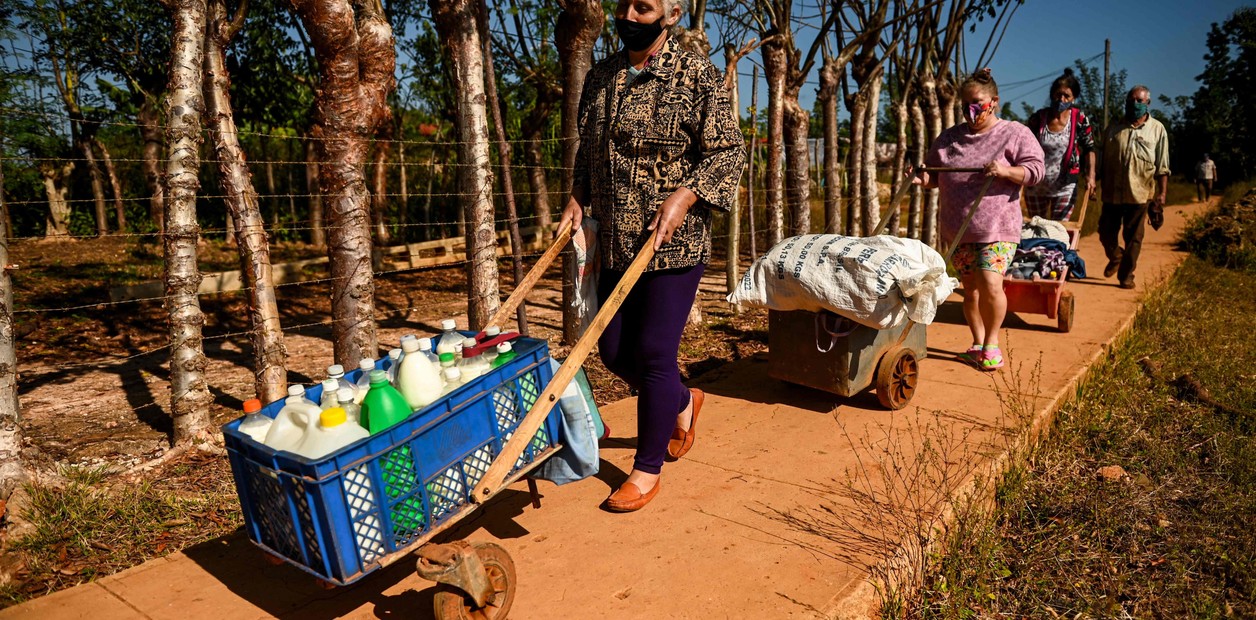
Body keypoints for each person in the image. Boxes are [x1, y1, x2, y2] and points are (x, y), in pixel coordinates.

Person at [558, 0, 745, 512]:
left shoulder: (694, 75)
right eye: (625, 6)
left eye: (644, 7)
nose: (631, 16)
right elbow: (587, 151)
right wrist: (578, 196)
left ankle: (646, 469)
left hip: (673, 242)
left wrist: (685, 196)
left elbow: (729, 152)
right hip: (617, 240)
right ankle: (683, 401)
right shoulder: (600, 78)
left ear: (672, 14)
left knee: (656, 356)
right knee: (614, 352)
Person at [913, 69, 1044, 371]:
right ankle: (977, 343)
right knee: (969, 288)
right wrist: (922, 179)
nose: (971, 110)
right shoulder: (949, 139)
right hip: (958, 230)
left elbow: (1036, 170)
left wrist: (1005, 171)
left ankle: (993, 344)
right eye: (965, 104)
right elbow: (934, 175)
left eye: (978, 102)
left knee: (990, 283)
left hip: (997, 227)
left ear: (994, 102)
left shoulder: (1014, 133)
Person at [1100, 86, 1170, 290]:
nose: (1135, 104)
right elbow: (1102, 157)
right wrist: (1093, 181)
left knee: (1134, 238)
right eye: (1131, 100)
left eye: (1139, 101)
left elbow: (1163, 166)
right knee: (1105, 232)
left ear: (1148, 103)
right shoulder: (1113, 128)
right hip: (1112, 191)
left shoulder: (1157, 130)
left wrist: (1162, 194)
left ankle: (1126, 275)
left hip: (1140, 193)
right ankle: (1116, 256)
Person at [1025, 69, 1096, 221]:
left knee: (1058, 231)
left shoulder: (1079, 120)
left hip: (1065, 187)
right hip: (1037, 186)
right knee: (1038, 230)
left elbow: (1089, 148)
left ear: (1074, 98)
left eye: (1066, 96)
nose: (1061, 99)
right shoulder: (1038, 119)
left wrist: (1091, 177)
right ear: (1052, 95)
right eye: (1058, 94)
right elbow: (1023, 146)